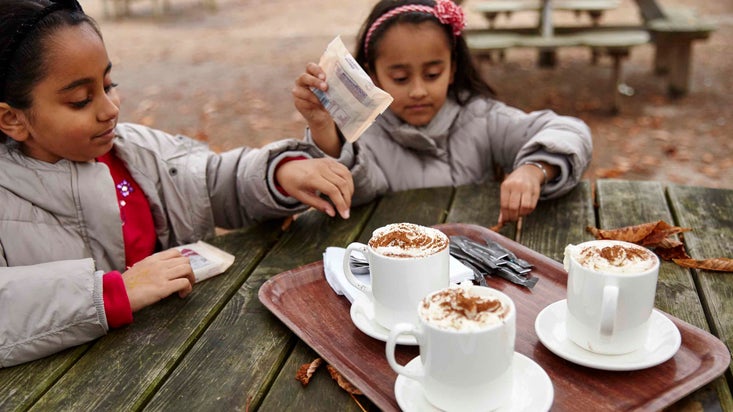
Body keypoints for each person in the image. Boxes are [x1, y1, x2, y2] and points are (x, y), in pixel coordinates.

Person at [0, 0, 353, 367]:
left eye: (109, 84)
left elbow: (210, 181)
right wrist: (113, 293)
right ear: (12, 119)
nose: (110, 109)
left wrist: (277, 174)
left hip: (181, 360)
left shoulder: (134, 151)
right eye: (80, 100)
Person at [293, 0, 592, 225]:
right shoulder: (368, 133)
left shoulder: (481, 117)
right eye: (400, 78)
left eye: (433, 73)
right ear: (372, 75)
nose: (419, 90)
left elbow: (570, 131)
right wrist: (323, 128)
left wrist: (534, 170)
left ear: (452, 70)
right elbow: (353, 190)